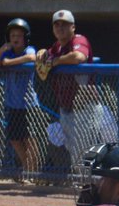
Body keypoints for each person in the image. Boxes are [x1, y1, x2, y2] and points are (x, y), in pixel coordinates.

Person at [37, 10, 112, 168]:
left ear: (73, 27)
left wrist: (55, 61)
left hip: (86, 109)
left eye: (64, 25)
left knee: (87, 153)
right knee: (76, 154)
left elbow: (79, 57)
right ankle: (84, 186)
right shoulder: (57, 46)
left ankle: (91, 187)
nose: (60, 28)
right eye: (57, 25)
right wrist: (43, 52)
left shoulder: (79, 39)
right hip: (67, 110)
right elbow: (44, 58)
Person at [0, 18, 40, 182]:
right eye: (12, 35)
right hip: (12, 103)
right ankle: (28, 170)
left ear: (25, 37)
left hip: (28, 104)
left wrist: (9, 62)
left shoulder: (28, 49)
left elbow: (32, 58)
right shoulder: (7, 53)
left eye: (19, 35)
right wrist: (0, 52)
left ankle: (34, 173)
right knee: (15, 138)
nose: (15, 38)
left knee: (29, 139)